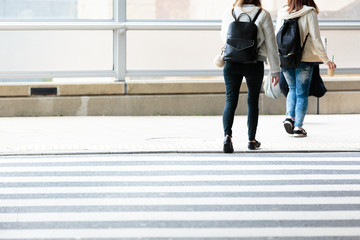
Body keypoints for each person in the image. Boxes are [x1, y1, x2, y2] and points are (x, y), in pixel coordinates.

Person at [221, 0, 280, 153]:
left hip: (231, 62)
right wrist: (275, 70)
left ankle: (227, 136)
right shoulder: (263, 14)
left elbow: (224, 37)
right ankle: (251, 140)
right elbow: (271, 44)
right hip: (254, 62)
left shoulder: (230, 11)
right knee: (252, 101)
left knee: (230, 99)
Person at [276, 0, 336, 137]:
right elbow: (316, 38)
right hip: (305, 59)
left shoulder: (282, 12)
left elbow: (277, 37)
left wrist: (275, 59)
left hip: (286, 58)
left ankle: (289, 118)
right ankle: (298, 127)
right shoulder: (309, 12)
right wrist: (326, 60)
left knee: (292, 89)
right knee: (302, 93)